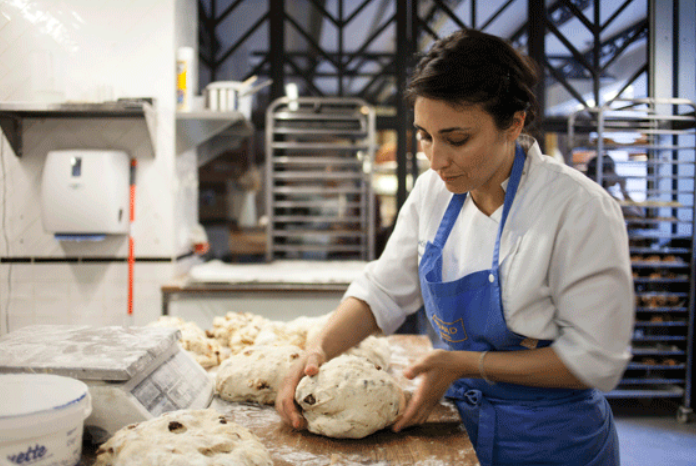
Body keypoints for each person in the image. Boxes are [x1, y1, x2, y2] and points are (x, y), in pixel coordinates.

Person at [276, 29, 634, 466]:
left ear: (514, 124)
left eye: (457, 139)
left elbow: (597, 360)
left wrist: (465, 364)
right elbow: (384, 291)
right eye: (425, 135)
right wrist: (319, 347)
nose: (436, 159)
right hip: (456, 426)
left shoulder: (578, 208)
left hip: (550, 440)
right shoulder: (433, 193)